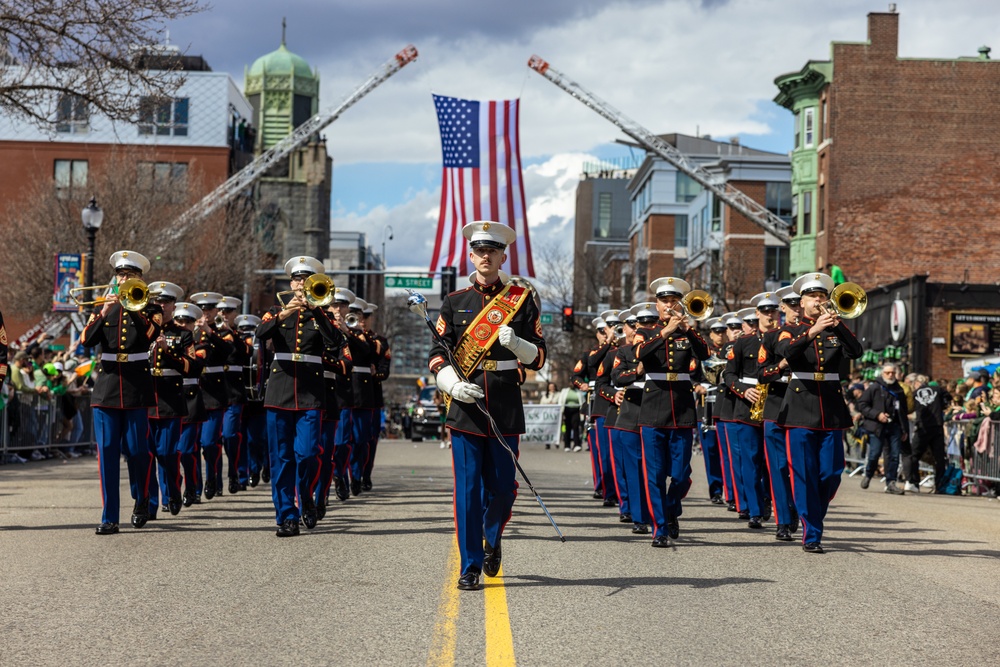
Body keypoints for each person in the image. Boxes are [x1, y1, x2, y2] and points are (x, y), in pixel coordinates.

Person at [428, 221, 545, 591]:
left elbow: (540, 358)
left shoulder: (521, 301)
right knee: (467, 490)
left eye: (492, 250)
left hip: (506, 403)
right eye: (480, 250)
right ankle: (470, 564)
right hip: (466, 405)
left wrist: (519, 346)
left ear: (502, 256)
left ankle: (491, 536)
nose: (485, 256)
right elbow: (436, 354)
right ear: (471, 255)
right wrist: (451, 384)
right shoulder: (454, 302)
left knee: (504, 488)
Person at [256, 256, 346, 537]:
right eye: (296, 279)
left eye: (306, 280)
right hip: (279, 390)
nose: (300, 284)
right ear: (290, 283)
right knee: (281, 458)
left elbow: (335, 342)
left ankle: (305, 496)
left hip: (311, 392)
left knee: (307, 453)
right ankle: (286, 515)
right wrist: (285, 313)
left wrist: (318, 310)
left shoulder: (323, 315)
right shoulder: (274, 311)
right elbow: (261, 333)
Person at [775, 272, 863, 553]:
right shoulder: (792, 328)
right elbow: (787, 351)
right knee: (803, 473)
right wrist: (812, 330)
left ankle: (811, 514)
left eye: (822, 296)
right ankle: (811, 533)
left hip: (831, 408)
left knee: (831, 473)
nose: (818, 301)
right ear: (801, 302)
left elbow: (856, 351)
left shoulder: (835, 328)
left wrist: (838, 326)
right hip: (800, 406)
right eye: (813, 297)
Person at [81, 250, 163, 535]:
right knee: (106, 453)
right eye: (120, 275)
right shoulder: (103, 305)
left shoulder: (150, 307)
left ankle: (141, 498)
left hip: (136, 386)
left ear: (140, 278)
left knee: (138, 450)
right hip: (106, 388)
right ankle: (109, 517)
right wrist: (103, 311)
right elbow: (86, 341)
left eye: (130, 275)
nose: (124, 279)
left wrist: (133, 306)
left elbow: (149, 336)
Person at [633, 276, 710, 547]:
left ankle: (670, 508)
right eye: (664, 301)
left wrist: (687, 329)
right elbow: (639, 354)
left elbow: (706, 353)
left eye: (674, 301)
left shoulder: (687, 333)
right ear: (656, 305)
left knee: (680, 474)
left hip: (682, 407)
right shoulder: (645, 331)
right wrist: (665, 331)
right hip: (653, 407)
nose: (669, 306)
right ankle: (659, 529)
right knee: (654, 474)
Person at [145, 281, 199, 519]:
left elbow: (192, 367)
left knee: (167, 453)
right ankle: (149, 504)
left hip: (170, 399)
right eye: (156, 300)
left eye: (165, 301)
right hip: (145, 399)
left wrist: (168, 353)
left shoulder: (184, 334)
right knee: (145, 456)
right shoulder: (143, 329)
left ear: (173, 306)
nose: (160, 305)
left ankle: (174, 489)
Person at [757, 285, 802, 541]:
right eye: (791, 304)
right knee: (778, 467)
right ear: (782, 308)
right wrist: (782, 366)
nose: (796, 308)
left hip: (804, 407)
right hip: (776, 406)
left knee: (803, 467)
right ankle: (783, 520)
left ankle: (798, 507)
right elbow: (762, 374)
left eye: (799, 303)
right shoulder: (771, 338)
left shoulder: (816, 333)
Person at [610, 302, 654, 534]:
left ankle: (663, 513)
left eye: (650, 323)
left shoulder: (664, 346)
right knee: (635, 471)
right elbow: (617, 377)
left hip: (659, 413)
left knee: (664, 470)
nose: (645, 327)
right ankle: (639, 517)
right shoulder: (624, 352)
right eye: (641, 324)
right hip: (631, 415)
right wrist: (637, 370)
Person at [189, 291, 231, 500]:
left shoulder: (222, 332)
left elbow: (228, 351)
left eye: (209, 309)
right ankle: (195, 486)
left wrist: (209, 332)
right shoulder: (189, 332)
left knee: (208, 442)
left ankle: (212, 477)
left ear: (216, 311)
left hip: (214, 393)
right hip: (195, 393)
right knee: (192, 445)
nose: (205, 313)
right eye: (202, 309)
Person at [217, 296, 253, 494]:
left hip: (233, 391)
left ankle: (237, 472)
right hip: (213, 391)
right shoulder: (210, 333)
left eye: (228, 311)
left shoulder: (242, 334)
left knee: (231, 435)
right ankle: (216, 481)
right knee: (212, 440)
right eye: (221, 311)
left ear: (235, 314)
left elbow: (248, 352)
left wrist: (231, 333)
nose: (224, 314)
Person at [858, 363, 909, 495]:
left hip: (895, 426)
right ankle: (868, 474)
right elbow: (862, 405)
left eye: (893, 372)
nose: (890, 375)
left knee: (894, 455)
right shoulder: (874, 387)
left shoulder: (899, 389)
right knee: (874, 454)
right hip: (877, 427)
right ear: (882, 374)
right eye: (888, 373)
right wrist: (877, 414)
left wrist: (905, 430)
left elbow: (903, 411)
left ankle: (891, 482)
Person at [696, 316, 727, 505]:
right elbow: (691, 375)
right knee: (711, 451)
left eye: (723, 331)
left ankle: (731, 491)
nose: (720, 335)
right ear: (710, 334)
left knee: (728, 451)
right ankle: (715, 490)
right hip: (705, 405)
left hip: (725, 405)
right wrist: (697, 386)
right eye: (716, 331)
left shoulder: (731, 351)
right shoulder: (703, 353)